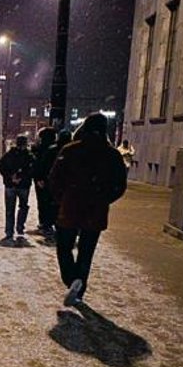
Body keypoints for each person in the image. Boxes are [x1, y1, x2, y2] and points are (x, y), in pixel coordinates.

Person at [49, 113, 128, 307]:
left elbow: (54, 178)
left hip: (70, 206)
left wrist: (62, 198)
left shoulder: (70, 150)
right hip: (96, 210)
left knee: (64, 247)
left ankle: (71, 278)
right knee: (86, 251)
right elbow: (119, 185)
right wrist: (104, 199)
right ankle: (79, 287)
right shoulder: (112, 155)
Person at [0, 134, 34, 243]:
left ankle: (10, 231)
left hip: (11, 185)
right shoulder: (29, 156)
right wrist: (21, 177)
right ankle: (19, 228)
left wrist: (10, 177)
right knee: (22, 207)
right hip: (23, 185)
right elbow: (32, 169)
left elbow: (1, 166)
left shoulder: (9, 155)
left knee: (10, 209)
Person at [32, 127, 59, 235]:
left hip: (42, 179)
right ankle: (51, 222)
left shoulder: (38, 149)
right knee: (53, 201)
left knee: (42, 201)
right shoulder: (57, 149)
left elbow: (37, 165)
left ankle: (44, 222)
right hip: (53, 179)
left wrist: (38, 178)